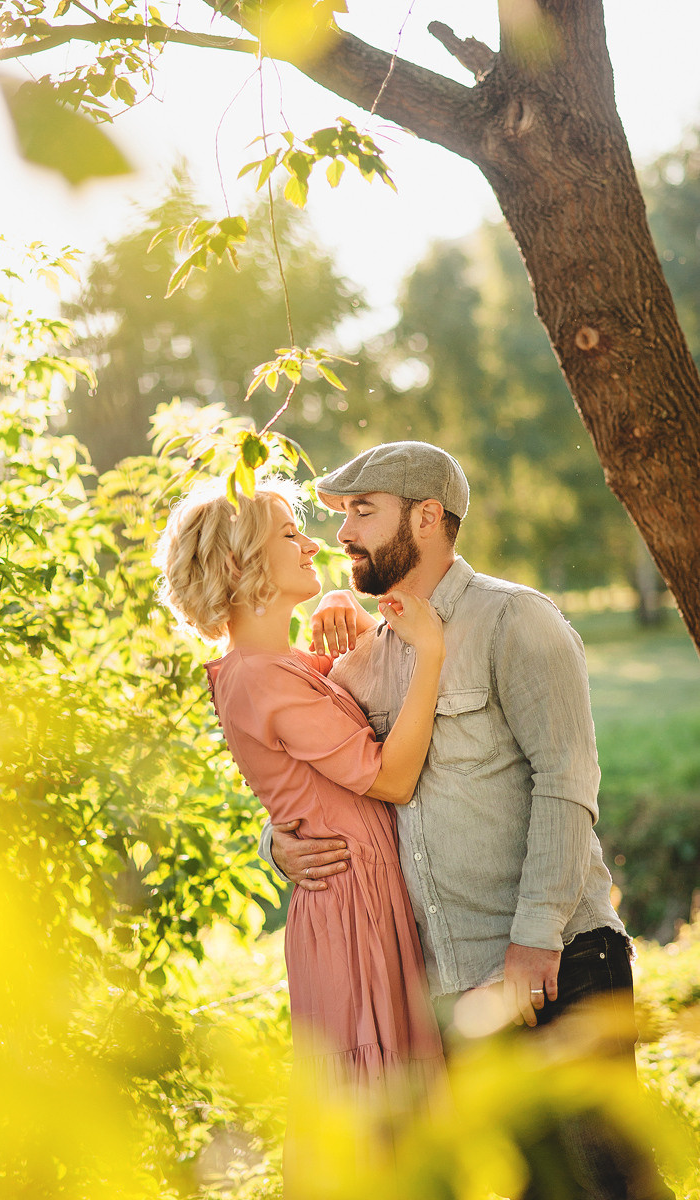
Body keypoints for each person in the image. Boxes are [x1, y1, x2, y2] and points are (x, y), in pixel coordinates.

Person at [259, 440, 672, 1199]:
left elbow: (566, 780)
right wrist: (279, 843)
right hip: (447, 989)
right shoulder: (364, 658)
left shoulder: (516, 619)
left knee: (604, 1187)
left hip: (556, 965)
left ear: (425, 516)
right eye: (340, 513)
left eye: (361, 512)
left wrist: (532, 939)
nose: (341, 533)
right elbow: (330, 778)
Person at [152, 478, 446, 1113]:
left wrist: (348, 605)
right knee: (375, 1111)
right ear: (238, 563)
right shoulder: (258, 679)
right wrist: (432, 653)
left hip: (363, 896)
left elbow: (358, 672)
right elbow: (391, 778)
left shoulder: (281, 665)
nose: (313, 544)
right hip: (349, 909)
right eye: (290, 534)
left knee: (397, 1103)